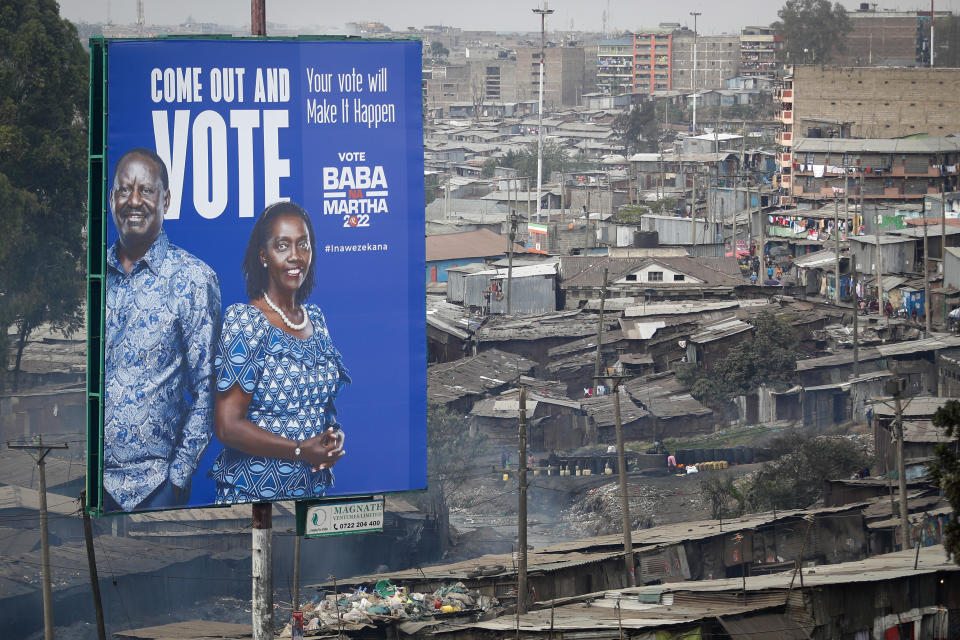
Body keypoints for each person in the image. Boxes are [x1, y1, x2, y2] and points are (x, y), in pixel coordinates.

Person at [103, 148, 221, 513]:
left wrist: (178, 478)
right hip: (90, 487)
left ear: (165, 199)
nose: (133, 201)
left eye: (145, 190)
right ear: (111, 200)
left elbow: (208, 386)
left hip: (154, 490)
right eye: (124, 190)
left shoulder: (194, 280)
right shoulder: (93, 279)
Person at [209, 202, 350, 504]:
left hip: (310, 496)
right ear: (263, 255)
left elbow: (317, 410)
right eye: (282, 246)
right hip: (254, 500)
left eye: (303, 244)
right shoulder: (246, 322)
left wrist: (332, 439)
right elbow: (226, 426)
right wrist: (300, 449)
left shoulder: (316, 320)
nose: (295, 256)